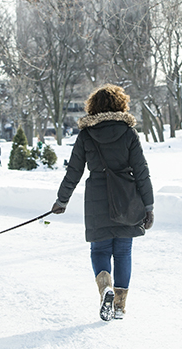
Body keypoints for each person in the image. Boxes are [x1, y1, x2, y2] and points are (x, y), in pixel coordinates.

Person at [51, 84, 154, 322]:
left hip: (96, 198)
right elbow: (142, 172)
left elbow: (73, 171)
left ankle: (104, 287)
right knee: (123, 252)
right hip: (127, 198)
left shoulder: (86, 135)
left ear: (93, 107)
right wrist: (148, 206)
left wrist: (61, 200)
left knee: (99, 250)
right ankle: (119, 305)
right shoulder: (128, 133)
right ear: (120, 105)